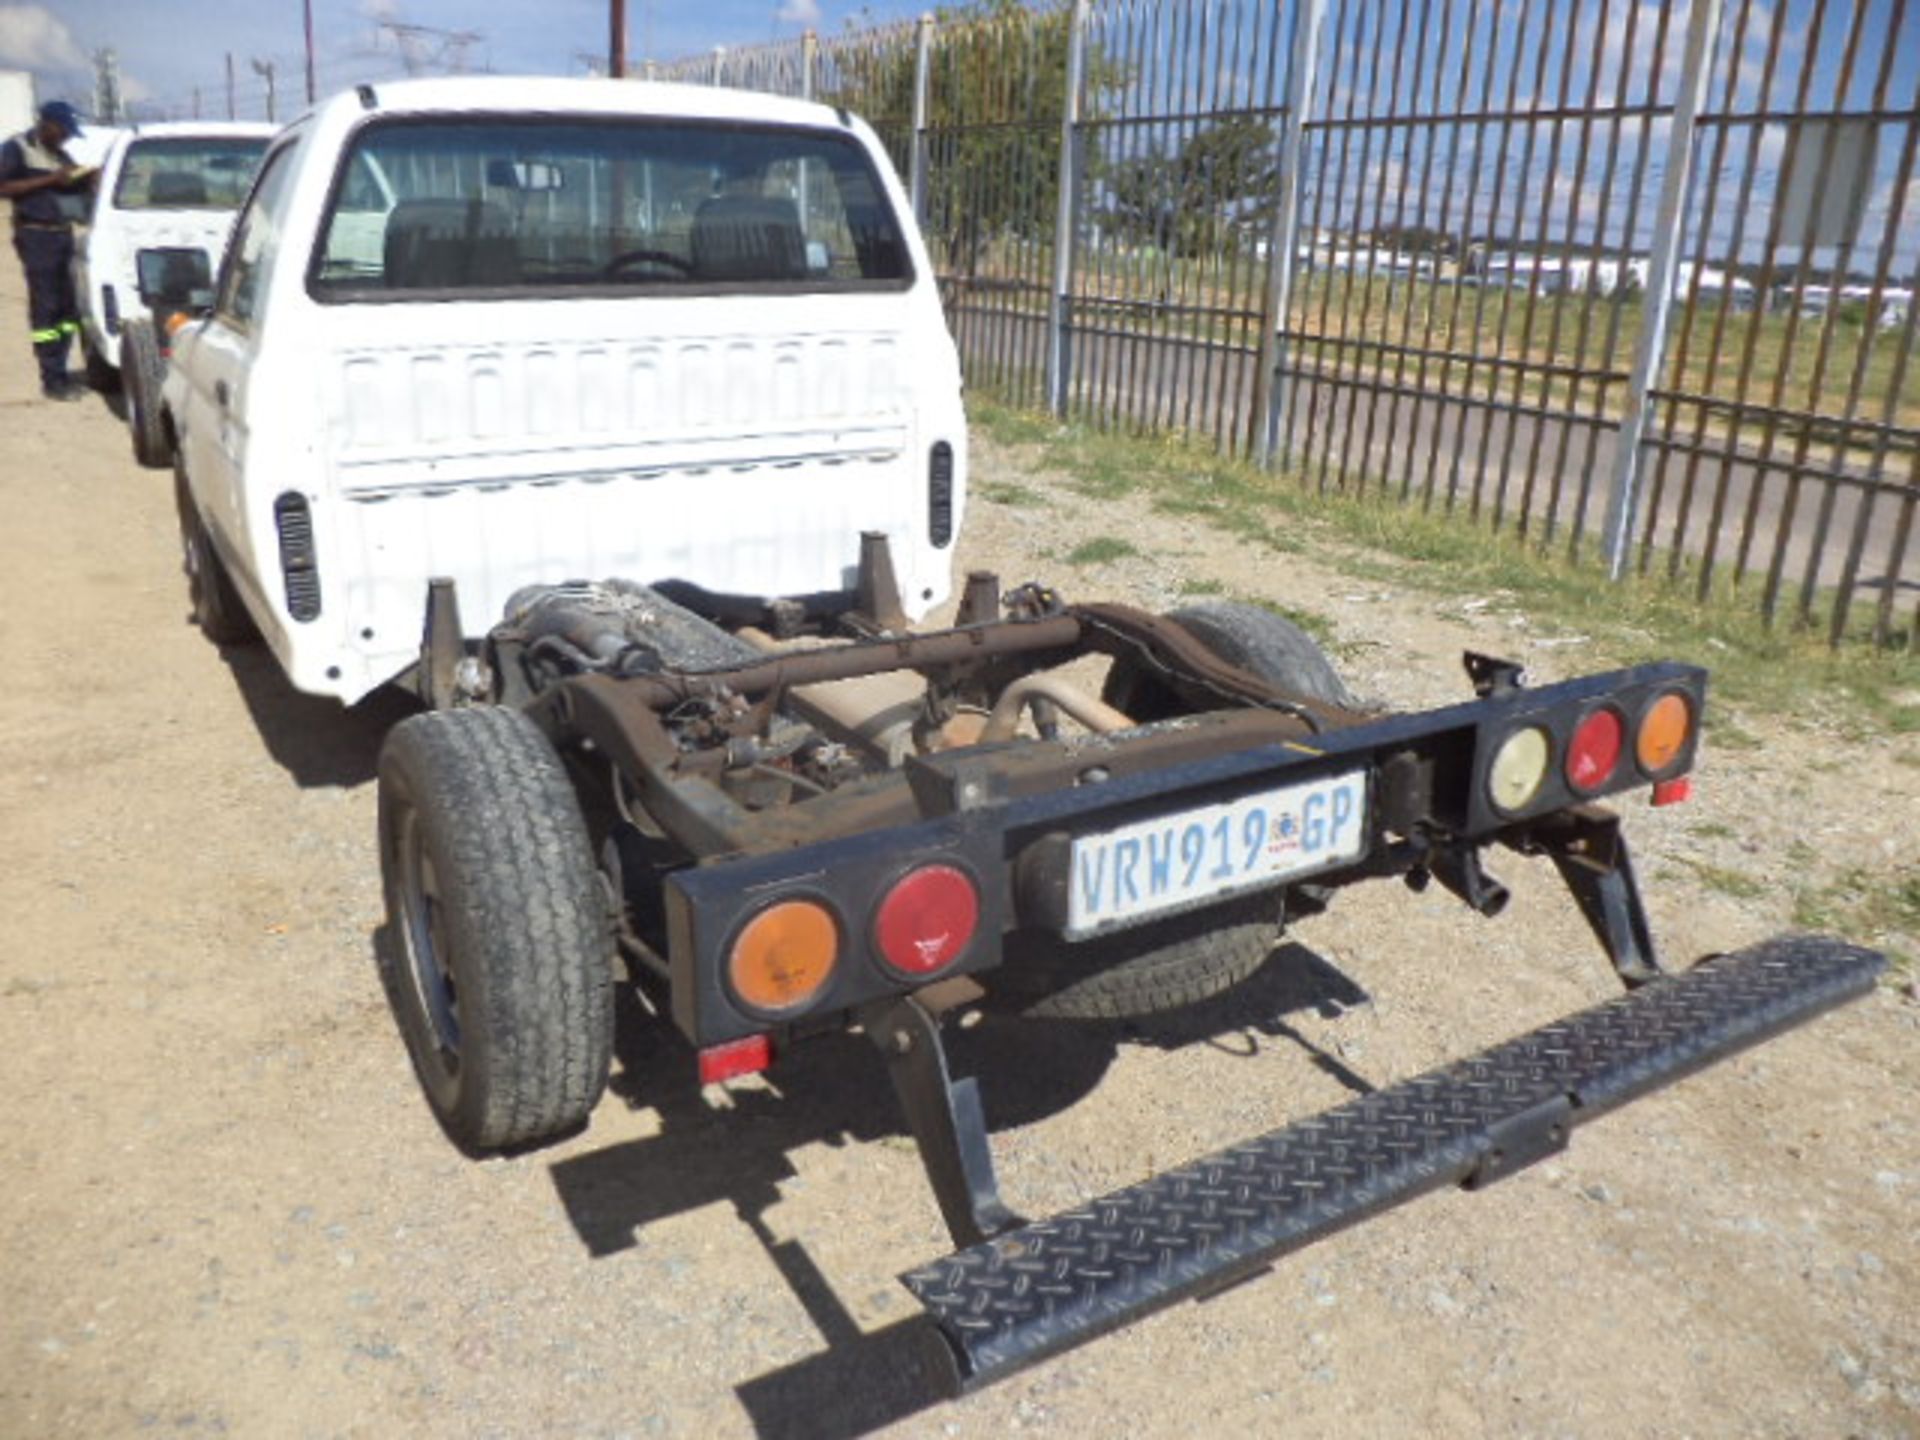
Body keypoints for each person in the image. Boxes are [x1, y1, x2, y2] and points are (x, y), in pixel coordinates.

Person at [0, 101, 95, 401]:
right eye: (63, 131)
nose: (66, 138)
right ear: (46, 125)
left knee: (68, 308)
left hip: (63, 235)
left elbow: (69, 188)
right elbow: (3, 187)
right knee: (47, 306)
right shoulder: (17, 148)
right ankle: (51, 378)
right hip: (36, 236)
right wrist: (51, 179)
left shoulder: (60, 155)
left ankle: (62, 371)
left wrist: (87, 179)